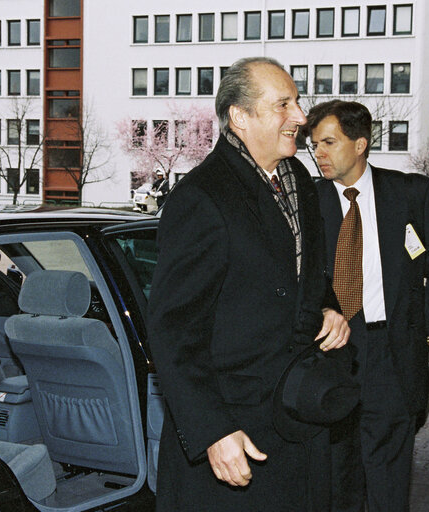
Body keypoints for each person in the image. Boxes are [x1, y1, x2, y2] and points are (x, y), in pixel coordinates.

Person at [147, 57, 350, 512]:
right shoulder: (201, 198)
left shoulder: (296, 177)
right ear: (240, 116)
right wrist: (212, 431)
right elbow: (171, 330)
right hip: (234, 432)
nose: (300, 116)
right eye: (284, 105)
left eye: (297, 102)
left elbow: (303, 272)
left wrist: (328, 307)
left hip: (298, 415)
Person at [305, 100, 429, 512]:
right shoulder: (307, 202)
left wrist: (422, 331)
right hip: (329, 356)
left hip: (391, 354)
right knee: (338, 476)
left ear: (360, 144)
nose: (318, 153)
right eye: (313, 144)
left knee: (389, 479)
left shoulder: (410, 194)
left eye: (328, 142)